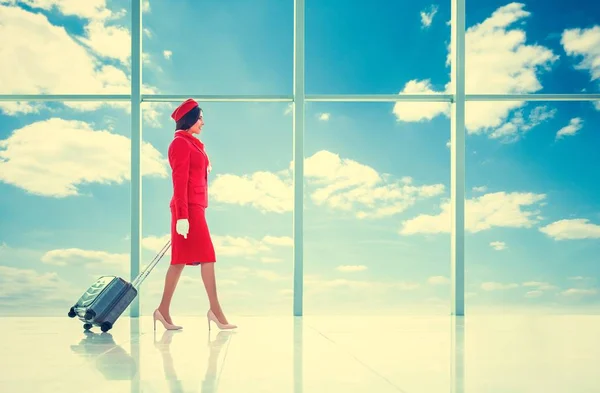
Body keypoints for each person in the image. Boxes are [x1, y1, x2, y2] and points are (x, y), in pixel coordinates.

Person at [153, 98, 237, 331]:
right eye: (200, 118)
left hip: (195, 207)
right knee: (206, 256)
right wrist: (182, 216)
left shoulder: (193, 144)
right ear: (190, 119)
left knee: (180, 261)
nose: (203, 122)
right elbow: (178, 181)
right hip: (187, 209)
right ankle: (216, 311)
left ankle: (162, 311)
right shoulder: (180, 144)